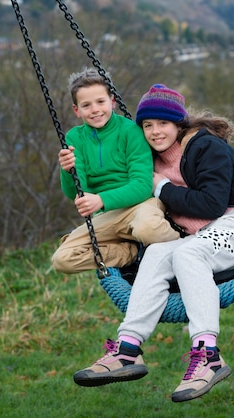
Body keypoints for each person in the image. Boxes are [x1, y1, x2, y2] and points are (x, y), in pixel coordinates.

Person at [73, 84, 234, 402]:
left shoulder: (206, 147)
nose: (154, 132)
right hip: (210, 232)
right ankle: (127, 350)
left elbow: (210, 204)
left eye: (163, 124)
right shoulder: (151, 158)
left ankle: (208, 354)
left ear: (180, 124)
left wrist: (162, 187)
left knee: (189, 255)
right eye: (147, 126)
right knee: (157, 252)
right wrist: (76, 162)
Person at [51, 68, 180, 274]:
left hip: (140, 205)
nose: (95, 109)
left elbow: (142, 185)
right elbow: (76, 191)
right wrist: (67, 170)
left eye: (100, 102)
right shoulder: (75, 138)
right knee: (62, 259)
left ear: (112, 101)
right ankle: (129, 254)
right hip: (108, 216)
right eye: (86, 105)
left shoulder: (131, 131)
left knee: (148, 228)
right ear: (77, 110)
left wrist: (100, 199)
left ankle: (185, 249)